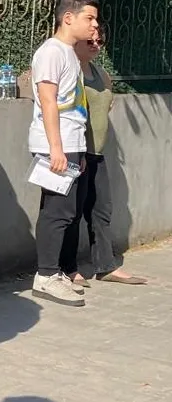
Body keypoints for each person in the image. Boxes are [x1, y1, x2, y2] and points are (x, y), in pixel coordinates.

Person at [29, 0, 98, 307]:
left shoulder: (70, 53)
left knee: (69, 211)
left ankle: (55, 271)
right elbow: (48, 101)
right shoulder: (51, 52)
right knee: (56, 212)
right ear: (68, 18)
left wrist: (79, 151)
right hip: (55, 145)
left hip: (71, 143)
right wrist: (56, 149)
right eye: (89, 18)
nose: (94, 25)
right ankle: (45, 276)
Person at [68, 35, 147, 287]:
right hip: (76, 151)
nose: (96, 45)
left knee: (101, 210)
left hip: (97, 154)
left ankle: (105, 266)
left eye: (100, 41)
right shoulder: (69, 71)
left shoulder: (101, 74)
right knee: (72, 212)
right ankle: (67, 268)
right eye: (90, 41)